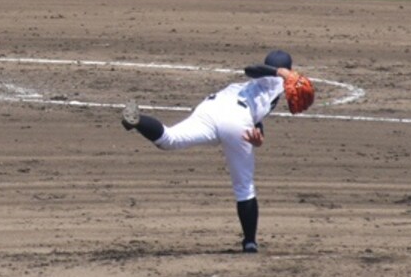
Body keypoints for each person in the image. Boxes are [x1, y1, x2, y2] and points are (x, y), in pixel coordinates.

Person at [120, 50, 316, 253]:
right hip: (235, 119)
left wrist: (259, 138)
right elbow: (251, 69)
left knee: (170, 139)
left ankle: (137, 120)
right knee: (244, 187)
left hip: (211, 109)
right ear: (287, 69)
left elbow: (256, 116)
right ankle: (249, 242)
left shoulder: (249, 87)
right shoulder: (273, 80)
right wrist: (282, 74)